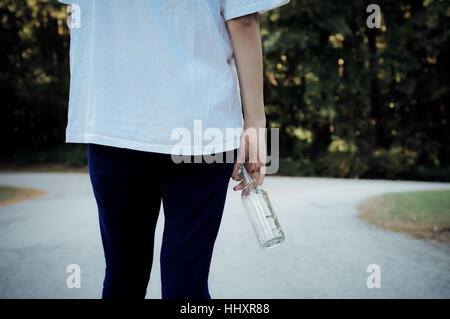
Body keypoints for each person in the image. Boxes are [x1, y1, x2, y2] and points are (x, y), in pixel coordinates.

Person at [59, 0, 290, 299]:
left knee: (122, 274)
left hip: (113, 121)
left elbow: (73, 13)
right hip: (199, 124)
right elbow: (242, 20)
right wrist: (256, 123)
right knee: (187, 280)